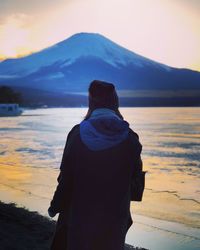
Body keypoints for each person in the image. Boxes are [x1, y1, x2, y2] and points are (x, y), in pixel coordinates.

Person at [48, 80, 145, 250]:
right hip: (115, 219)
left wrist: (55, 207)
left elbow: (65, 180)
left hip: (79, 217)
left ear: (91, 102)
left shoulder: (77, 135)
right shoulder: (131, 139)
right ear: (115, 102)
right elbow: (136, 190)